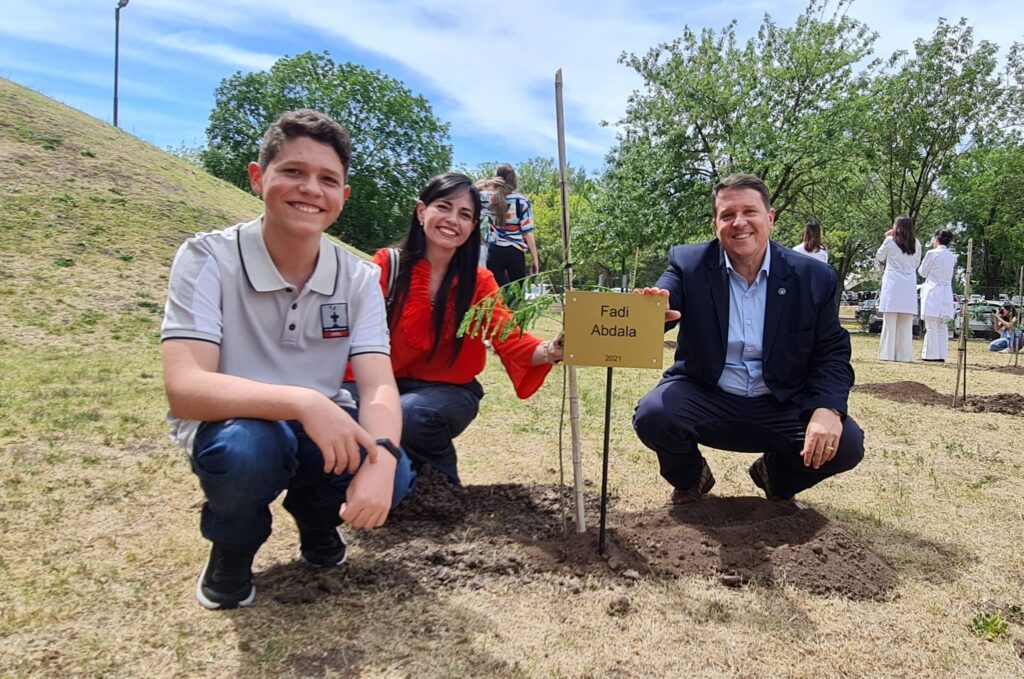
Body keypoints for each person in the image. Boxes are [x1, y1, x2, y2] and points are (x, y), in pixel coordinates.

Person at [161, 109, 415, 610]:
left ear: (344, 195)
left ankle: (315, 518)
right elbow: (186, 386)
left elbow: (379, 384)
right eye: (293, 172)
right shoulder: (207, 258)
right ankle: (232, 549)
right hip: (234, 425)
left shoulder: (360, 278)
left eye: (328, 179)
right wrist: (302, 402)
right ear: (259, 178)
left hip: (321, 427)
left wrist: (382, 457)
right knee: (248, 450)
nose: (310, 190)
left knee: (397, 468)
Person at [633, 173, 863, 504]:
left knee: (846, 444)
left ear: (770, 217)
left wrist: (828, 408)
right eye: (727, 215)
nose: (739, 222)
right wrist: (654, 310)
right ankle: (691, 478)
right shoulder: (689, 263)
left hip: (781, 401)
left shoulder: (814, 278)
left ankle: (777, 476)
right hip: (707, 394)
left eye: (750, 212)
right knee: (654, 415)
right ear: (715, 224)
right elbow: (665, 300)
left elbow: (832, 354)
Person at [352, 172, 563, 484]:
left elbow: (509, 339)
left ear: (474, 226)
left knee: (409, 414)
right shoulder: (387, 265)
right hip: (381, 382)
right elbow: (355, 339)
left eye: (465, 214)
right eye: (444, 207)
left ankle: (442, 489)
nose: (453, 220)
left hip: (448, 391)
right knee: (344, 412)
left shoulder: (479, 282)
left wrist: (553, 349)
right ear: (421, 210)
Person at [479, 164, 540, 292]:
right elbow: (528, 233)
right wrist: (535, 259)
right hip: (515, 253)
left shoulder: (487, 198)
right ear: (513, 181)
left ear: (497, 179)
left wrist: (485, 183)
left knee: (494, 294)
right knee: (517, 296)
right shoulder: (521, 201)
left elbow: (467, 191)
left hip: (494, 252)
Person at [875, 216, 921, 362]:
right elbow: (916, 263)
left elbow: (880, 257)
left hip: (893, 283)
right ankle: (904, 355)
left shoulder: (890, 240)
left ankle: (887, 354)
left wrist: (887, 237)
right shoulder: (916, 243)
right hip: (908, 284)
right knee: (906, 324)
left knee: (889, 322)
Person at [918, 230, 956, 362]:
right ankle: (941, 354)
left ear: (936, 239)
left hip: (933, 290)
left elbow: (922, 272)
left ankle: (930, 354)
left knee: (931, 325)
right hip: (946, 292)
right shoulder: (951, 256)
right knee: (942, 325)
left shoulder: (932, 253)